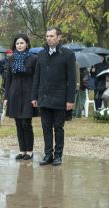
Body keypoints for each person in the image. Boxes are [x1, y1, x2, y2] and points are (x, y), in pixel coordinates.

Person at [32, 26, 76, 166]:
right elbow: (36, 78)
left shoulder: (68, 54)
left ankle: (58, 156)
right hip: (44, 98)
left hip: (60, 98)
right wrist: (34, 97)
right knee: (46, 128)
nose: (49, 38)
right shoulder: (40, 54)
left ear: (59, 37)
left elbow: (72, 79)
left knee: (58, 128)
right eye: (47, 36)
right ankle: (48, 155)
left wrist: (70, 99)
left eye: (51, 36)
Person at [3, 34, 38, 160]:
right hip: (14, 93)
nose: (19, 45)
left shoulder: (33, 59)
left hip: (28, 93)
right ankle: (22, 150)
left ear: (27, 44)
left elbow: (36, 79)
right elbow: (8, 80)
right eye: (17, 43)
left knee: (26, 123)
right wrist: (6, 97)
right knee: (18, 123)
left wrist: (35, 96)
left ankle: (29, 151)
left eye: (22, 43)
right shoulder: (11, 59)